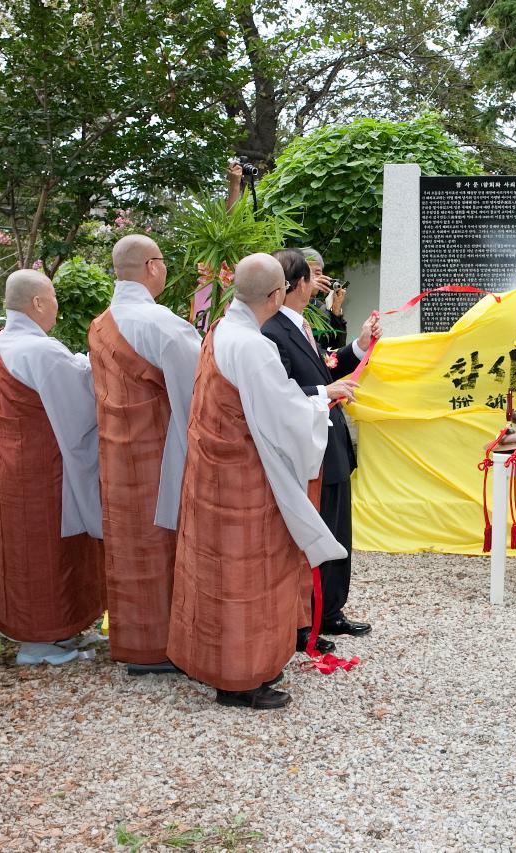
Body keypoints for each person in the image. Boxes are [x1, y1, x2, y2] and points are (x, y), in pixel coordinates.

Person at [167, 253, 347, 710]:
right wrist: (320, 403)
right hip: (247, 477)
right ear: (276, 295)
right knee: (252, 574)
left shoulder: (224, 330)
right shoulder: (252, 344)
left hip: (214, 471)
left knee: (220, 571)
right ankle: (241, 678)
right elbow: (282, 414)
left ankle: (232, 662)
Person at [89, 234, 201, 676]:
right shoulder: (162, 325)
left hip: (116, 453)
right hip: (158, 450)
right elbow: (197, 393)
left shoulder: (100, 324)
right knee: (160, 542)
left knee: (127, 543)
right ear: (153, 267)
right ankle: (162, 646)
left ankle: (134, 643)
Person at [0, 270, 105, 664]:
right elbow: (81, 400)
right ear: (37, 303)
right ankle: (40, 642)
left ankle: (59, 634)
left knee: (28, 547)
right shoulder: (40, 350)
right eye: (51, 298)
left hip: (11, 461)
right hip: (40, 466)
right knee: (46, 550)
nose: (55, 305)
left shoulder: (3, 341)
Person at [262, 249, 376, 644]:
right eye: (312, 276)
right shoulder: (271, 331)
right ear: (295, 285)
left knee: (338, 530)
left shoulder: (299, 324)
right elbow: (281, 391)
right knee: (318, 531)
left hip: (331, 441)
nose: (319, 283)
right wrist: (323, 390)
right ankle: (306, 617)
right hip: (310, 446)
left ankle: (330, 610)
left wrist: (359, 346)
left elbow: (325, 366)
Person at [300, 247, 349, 351]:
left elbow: (337, 347)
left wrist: (335, 310)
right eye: (309, 273)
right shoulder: (285, 303)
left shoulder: (321, 309)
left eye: (317, 273)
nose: (314, 278)